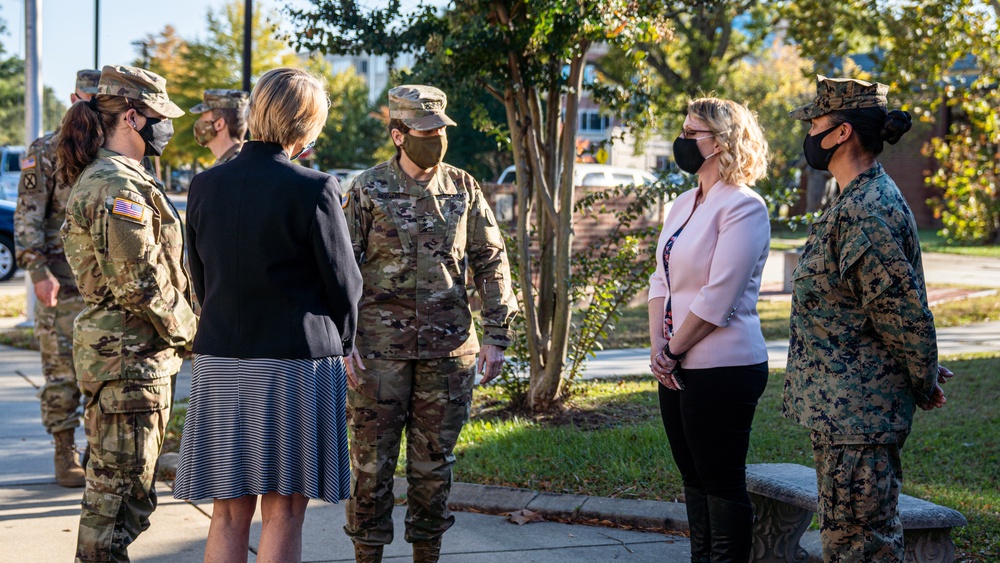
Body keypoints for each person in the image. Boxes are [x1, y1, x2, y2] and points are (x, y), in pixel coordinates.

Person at [172, 67, 362, 563]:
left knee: (228, 510)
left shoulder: (203, 186)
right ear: (307, 124)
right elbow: (344, 283)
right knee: (285, 509)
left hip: (219, 360)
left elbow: (199, 276)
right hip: (293, 364)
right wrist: (344, 341)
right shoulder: (315, 187)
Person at [342, 84, 518, 563]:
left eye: (441, 128)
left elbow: (491, 260)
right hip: (378, 353)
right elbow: (340, 268)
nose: (437, 136)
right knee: (370, 468)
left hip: (448, 352)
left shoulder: (463, 187)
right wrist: (341, 340)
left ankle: (427, 556)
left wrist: (498, 336)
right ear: (399, 135)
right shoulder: (366, 188)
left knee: (433, 467)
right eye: (426, 129)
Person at [784, 76, 954, 562]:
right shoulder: (852, 200)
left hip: (860, 420)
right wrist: (921, 368)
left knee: (862, 551)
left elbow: (905, 316)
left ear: (841, 133)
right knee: (851, 546)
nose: (809, 133)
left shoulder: (865, 210)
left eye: (815, 123)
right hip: (845, 417)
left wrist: (923, 377)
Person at [58, 64, 196, 562]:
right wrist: (193, 332)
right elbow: (141, 283)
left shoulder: (122, 177)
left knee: (117, 497)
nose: (168, 128)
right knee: (118, 503)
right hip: (129, 362)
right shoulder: (117, 185)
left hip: (127, 359)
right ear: (133, 118)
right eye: (160, 116)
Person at [648, 97, 771, 562]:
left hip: (724, 367)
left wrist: (672, 351)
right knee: (693, 479)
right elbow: (660, 279)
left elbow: (719, 296)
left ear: (720, 142)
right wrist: (660, 348)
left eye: (691, 133)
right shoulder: (682, 202)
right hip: (676, 366)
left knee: (721, 480)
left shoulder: (744, 207)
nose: (682, 141)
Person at [14, 68, 100, 488]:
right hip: (60, 283)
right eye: (86, 99)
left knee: (102, 373)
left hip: (103, 284)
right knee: (61, 371)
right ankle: (64, 449)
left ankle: (97, 452)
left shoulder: (112, 149)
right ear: (72, 97)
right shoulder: (46, 149)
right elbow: (27, 215)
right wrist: (37, 271)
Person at [190, 89, 249, 167]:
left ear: (219, 124)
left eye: (203, 116)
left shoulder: (234, 167)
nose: (199, 120)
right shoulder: (233, 161)